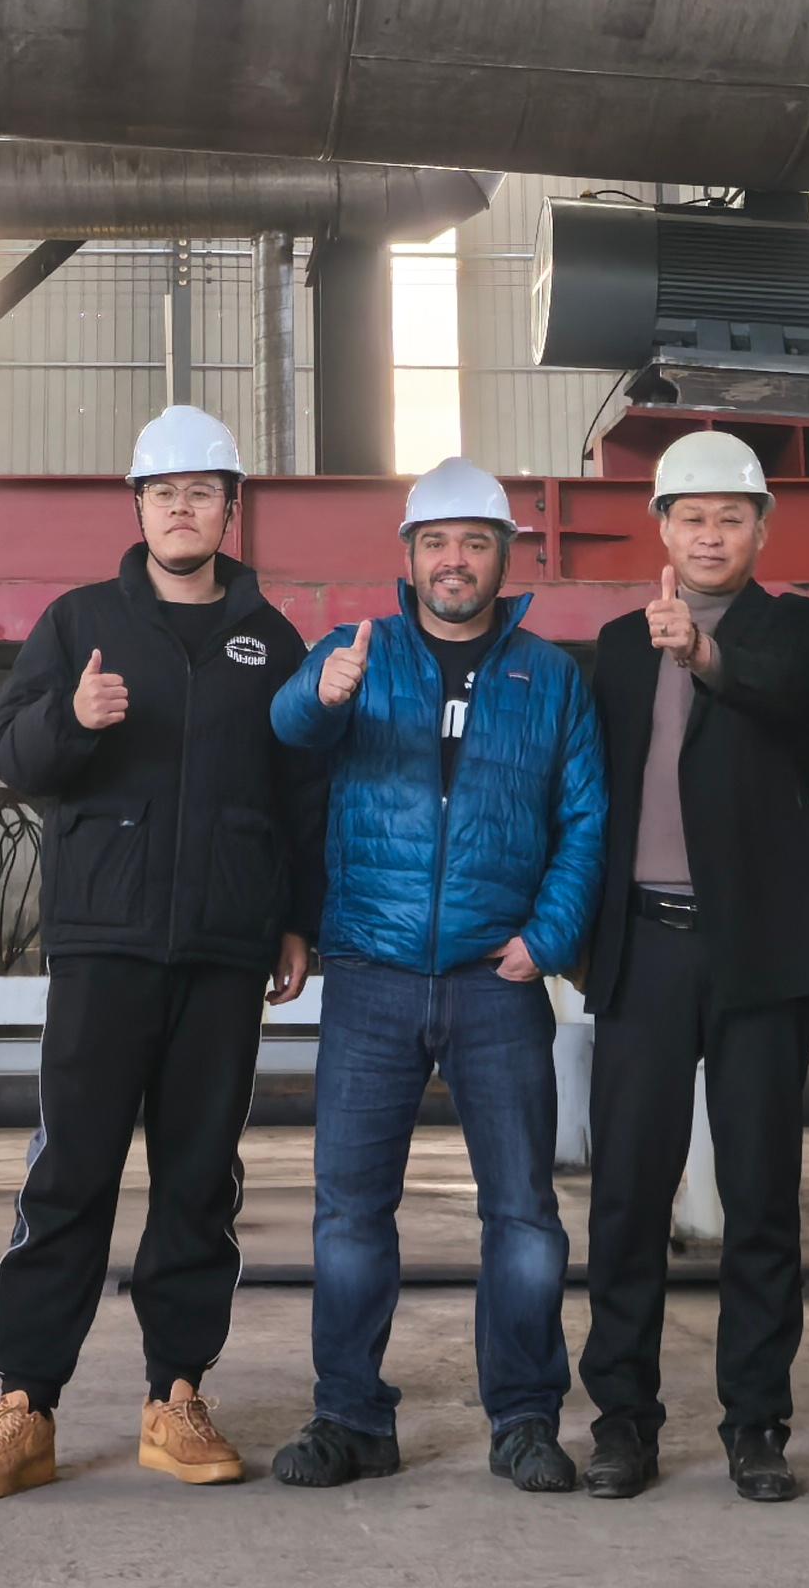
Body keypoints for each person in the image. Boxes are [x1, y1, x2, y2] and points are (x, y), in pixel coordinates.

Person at [0, 404, 326, 1501]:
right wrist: (73, 716)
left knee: (200, 1177)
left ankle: (178, 1396)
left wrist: (296, 918)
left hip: (223, 948)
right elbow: (14, 753)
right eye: (164, 493)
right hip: (103, 944)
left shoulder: (272, 641)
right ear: (139, 508)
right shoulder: (79, 624)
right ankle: (27, 1403)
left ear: (229, 508)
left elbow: (302, 794)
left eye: (202, 492)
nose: (181, 509)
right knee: (72, 1171)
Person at [264, 459, 608, 1498]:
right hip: (371, 972)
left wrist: (548, 938)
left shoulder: (549, 677)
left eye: (474, 543)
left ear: (506, 558)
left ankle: (525, 1420)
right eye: (435, 543)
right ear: (408, 558)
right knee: (350, 1213)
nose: (454, 561)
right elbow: (286, 733)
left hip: (496, 981)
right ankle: (351, 1418)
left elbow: (585, 818)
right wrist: (318, 693)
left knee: (524, 1215)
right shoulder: (355, 652)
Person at [575, 425, 809, 1505]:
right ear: (662, 528)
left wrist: (701, 657)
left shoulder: (796, 628)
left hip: (757, 953)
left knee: (759, 1196)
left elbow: (783, 695)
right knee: (626, 1197)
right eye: (690, 517)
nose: (709, 535)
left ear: (760, 530)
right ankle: (623, 1422)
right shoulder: (616, 646)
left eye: (729, 518)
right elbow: (593, 795)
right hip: (644, 948)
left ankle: (755, 1424)